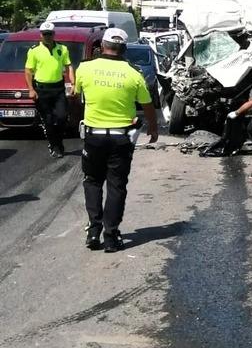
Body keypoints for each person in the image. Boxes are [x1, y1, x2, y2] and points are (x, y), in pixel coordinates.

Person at [73, 28, 158, 253]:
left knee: (92, 181)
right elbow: (148, 105)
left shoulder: (85, 68)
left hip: (94, 136)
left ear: (102, 46)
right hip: (122, 138)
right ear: (124, 48)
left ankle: (93, 230)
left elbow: (76, 93)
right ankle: (111, 236)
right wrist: (153, 129)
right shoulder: (133, 74)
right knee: (116, 185)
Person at [25, 22, 75, 158]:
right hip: (42, 90)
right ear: (41, 35)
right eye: (45, 34)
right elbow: (28, 71)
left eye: (50, 34)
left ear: (54, 34)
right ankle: (54, 146)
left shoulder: (62, 48)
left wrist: (73, 83)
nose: (47, 36)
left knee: (62, 117)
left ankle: (58, 141)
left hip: (58, 89)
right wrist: (31, 89)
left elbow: (69, 66)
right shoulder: (34, 50)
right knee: (48, 120)